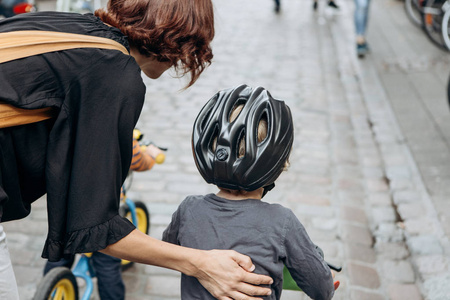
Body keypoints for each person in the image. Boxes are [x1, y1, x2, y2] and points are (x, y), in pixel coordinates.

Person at [0, 0, 274, 299]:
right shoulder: (113, 72)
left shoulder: (69, 25)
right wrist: (201, 263)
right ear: (179, 37)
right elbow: (94, 226)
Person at [162, 84, 336, 299]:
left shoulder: (188, 208)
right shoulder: (282, 222)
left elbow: (169, 250)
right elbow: (323, 290)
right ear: (277, 163)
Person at [43, 136, 163, 300]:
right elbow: (139, 161)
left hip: (69, 206)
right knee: (108, 264)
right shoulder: (119, 130)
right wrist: (152, 154)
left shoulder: (70, 126)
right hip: (103, 211)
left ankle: (49, 289)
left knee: (59, 253)